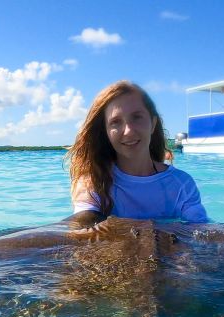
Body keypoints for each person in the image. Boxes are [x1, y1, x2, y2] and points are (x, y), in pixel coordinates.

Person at [67, 80, 208, 223]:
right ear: (106, 132)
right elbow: (81, 227)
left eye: (137, 117)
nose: (128, 131)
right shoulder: (94, 181)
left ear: (153, 124)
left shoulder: (181, 185)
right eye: (115, 122)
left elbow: (201, 232)